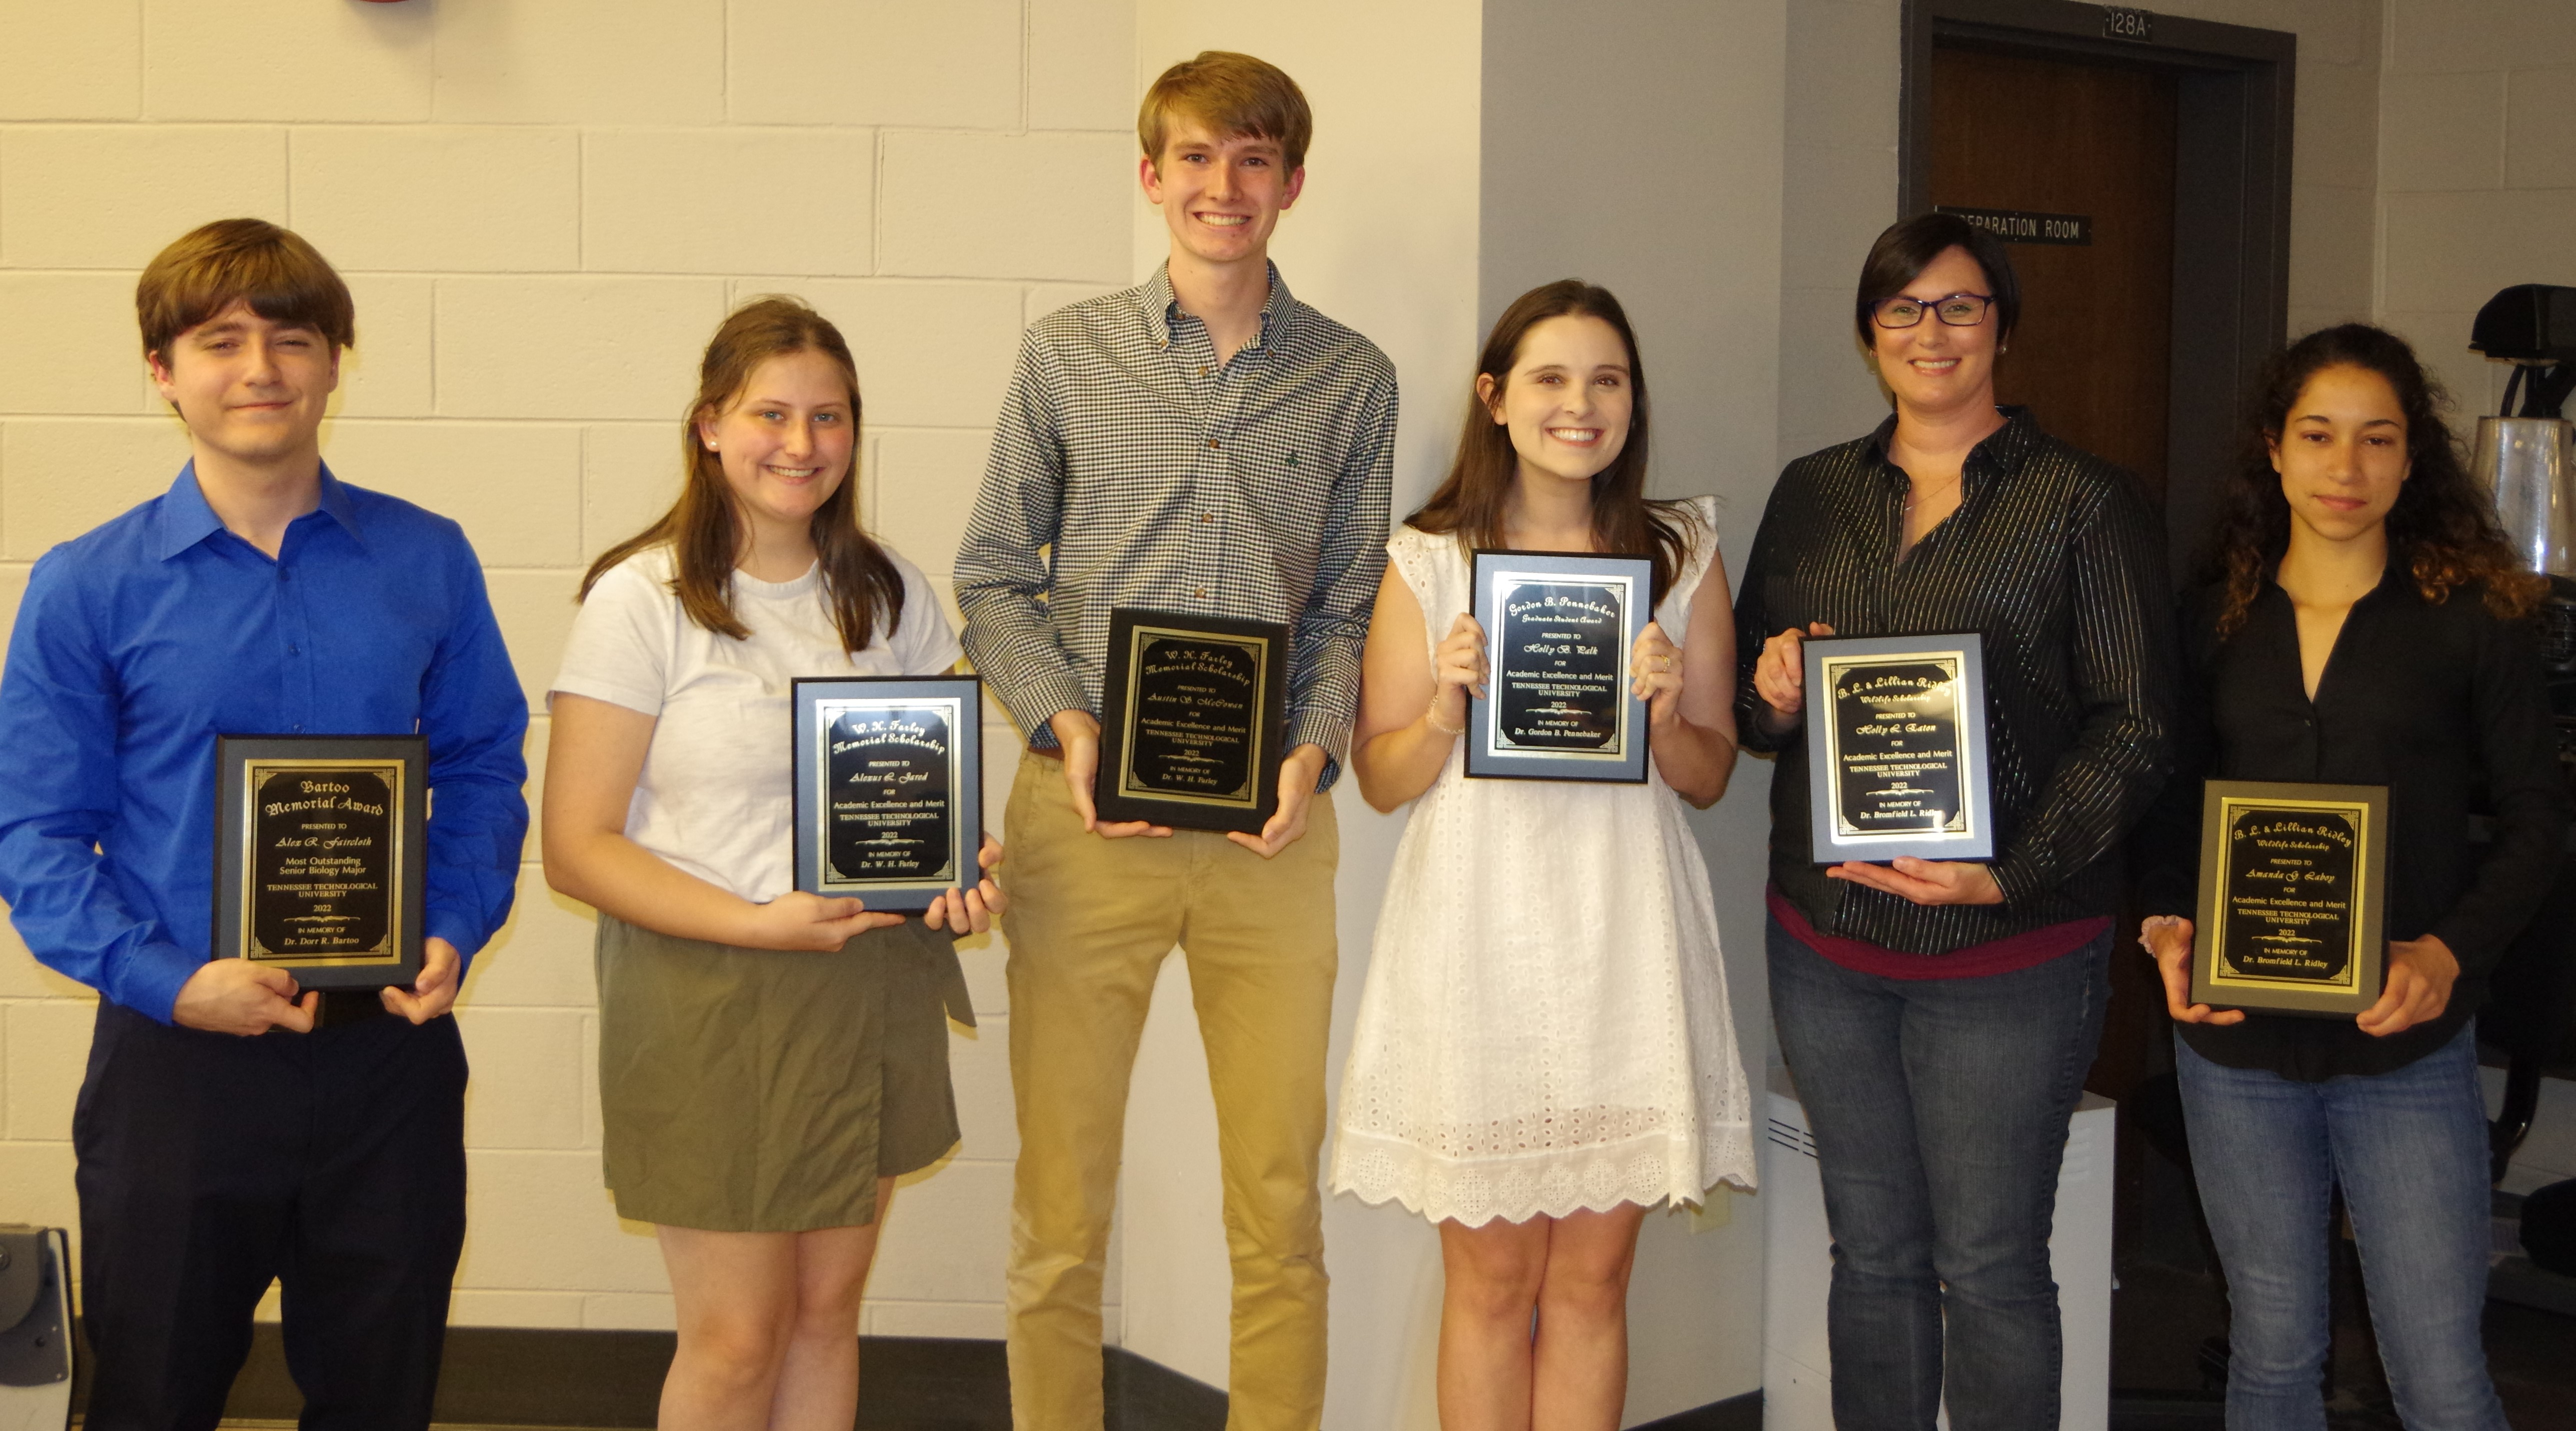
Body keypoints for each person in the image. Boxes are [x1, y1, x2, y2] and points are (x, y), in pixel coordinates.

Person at [0, 219, 528, 1428]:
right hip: (178, 1065)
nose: (260, 369)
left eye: (292, 338)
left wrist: (450, 922)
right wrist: (170, 982)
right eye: (220, 340)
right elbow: (33, 832)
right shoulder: (88, 584)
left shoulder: (426, 559)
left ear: (339, 360)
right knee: (154, 1395)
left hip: (386, 1052)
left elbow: (488, 767)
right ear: (161, 371)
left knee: (379, 1396)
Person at [952, 50, 1396, 1431]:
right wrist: (1070, 724)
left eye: (1254, 159)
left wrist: (1312, 754)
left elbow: (1346, 601)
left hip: (1270, 834)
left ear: (1293, 184)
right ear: (1151, 177)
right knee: (1061, 1201)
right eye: (1196, 158)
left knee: (1278, 1199)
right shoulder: (1065, 352)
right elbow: (989, 575)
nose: (1224, 186)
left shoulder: (1352, 378)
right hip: (1084, 823)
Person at [1731, 211, 2175, 1430]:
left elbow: (2137, 727)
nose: (1930, 333)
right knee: (1868, 1256)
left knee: (1987, 1269)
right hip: (1826, 944)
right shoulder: (1811, 492)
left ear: (2000, 328)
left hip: (2007, 956)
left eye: (1958, 306)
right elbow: (1746, 705)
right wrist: (1767, 694)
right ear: (1868, 335)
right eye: (1901, 310)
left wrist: (2006, 874)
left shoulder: (2084, 501)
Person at [542, 297, 1001, 1431]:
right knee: (737, 1338)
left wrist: (958, 874)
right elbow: (575, 848)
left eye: (829, 418)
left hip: (867, 984)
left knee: (824, 1317)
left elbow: (918, 807)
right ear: (708, 426)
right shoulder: (639, 601)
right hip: (709, 995)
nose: (802, 445)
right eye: (771, 414)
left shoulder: (890, 593)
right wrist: (756, 924)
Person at [1329, 280, 1755, 1430]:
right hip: (1476, 936)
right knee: (1491, 1286)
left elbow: (1712, 773)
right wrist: (1443, 715)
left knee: (1591, 1284)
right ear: (1495, 399)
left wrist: (1667, 716)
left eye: (1606, 380)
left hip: (1624, 934)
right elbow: (1377, 778)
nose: (1581, 405)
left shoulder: (1681, 551)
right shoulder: (1428, 558)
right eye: (1552, 379)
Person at [2137, 324, 2566, 1430]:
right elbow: (2168, 807)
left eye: (2375, 440)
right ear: (2271, 454)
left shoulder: (2472, 621)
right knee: (2270, 1358)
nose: (2344, 468)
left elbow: (2534, 821)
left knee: (2436, 1373)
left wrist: (2446, 952)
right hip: (2233, 1045)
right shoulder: (2212, 620)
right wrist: (2168, 927)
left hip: (2404, 1048)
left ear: (2410, 458)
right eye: (2317, 437)